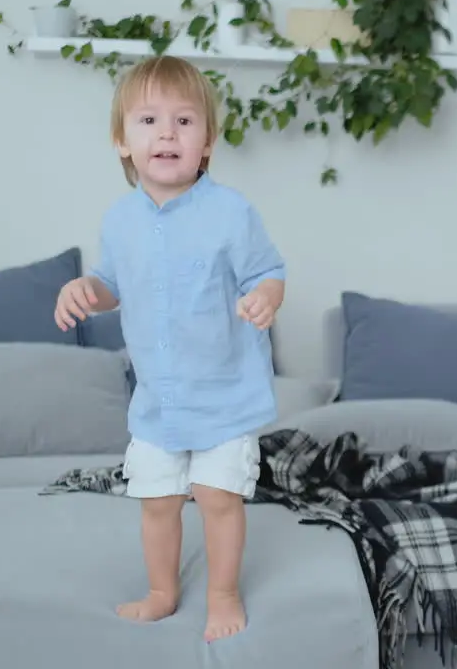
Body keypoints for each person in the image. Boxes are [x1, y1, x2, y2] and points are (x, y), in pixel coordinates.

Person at [52, 55, 286, 643]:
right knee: (156, 501)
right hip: (158, 403)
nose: (166, 133)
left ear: (206, 142)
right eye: (149, 120)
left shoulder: (231, 213)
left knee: (216, 496)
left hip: (224, 396)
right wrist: (86, 289)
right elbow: (111, 285)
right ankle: (161, 591)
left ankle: (224, 593)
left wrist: (266, 296)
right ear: (122, 142)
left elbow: (269, 270)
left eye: (184, 121)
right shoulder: (119, 220)